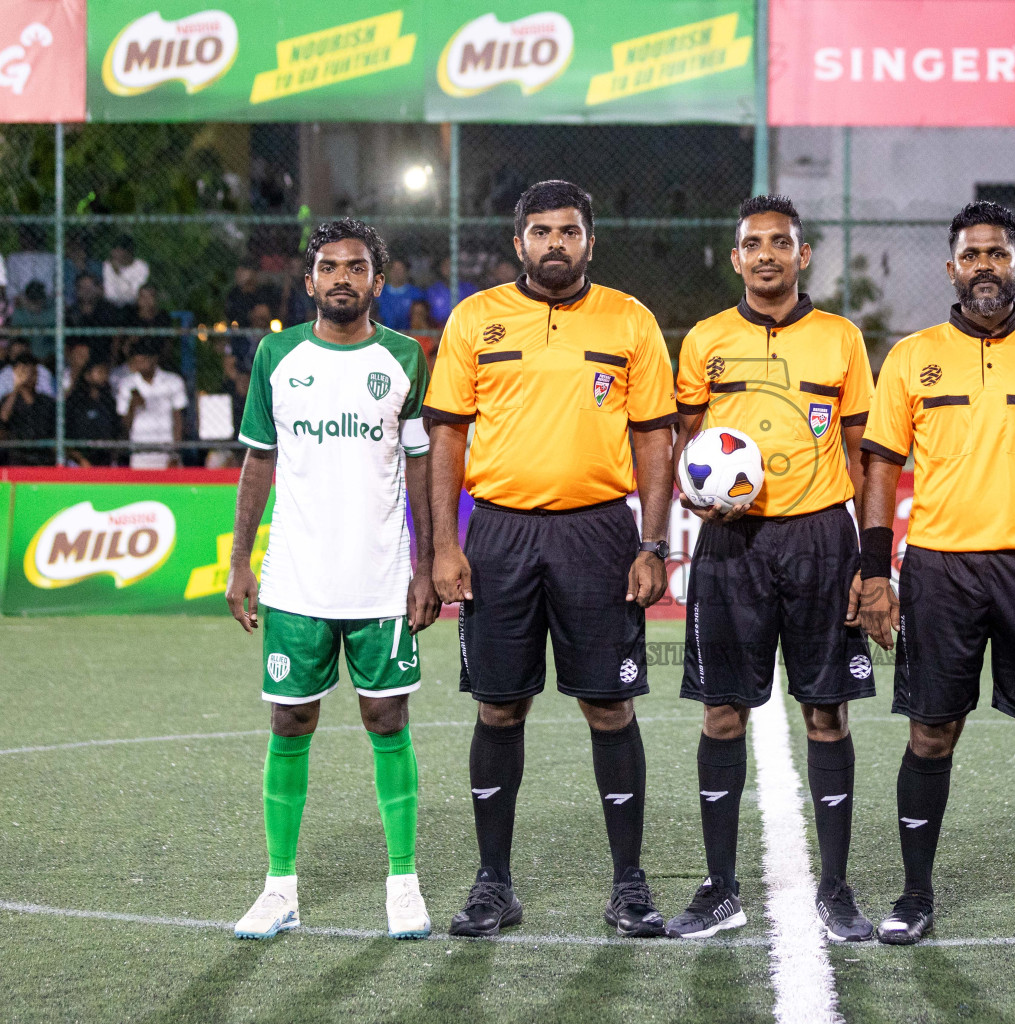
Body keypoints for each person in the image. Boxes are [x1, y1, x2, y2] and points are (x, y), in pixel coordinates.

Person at [855, 201, 1015, 947]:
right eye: (972, 256)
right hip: (940, 569)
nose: (985, 268)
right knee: (932, 734)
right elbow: (880, 470)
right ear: (952, 269)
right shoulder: (911, 357)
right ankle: (914, 896)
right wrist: (876, 573)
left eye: (998, 254)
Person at [425, 180, 677, 940]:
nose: (555, 243)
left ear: (589, 241)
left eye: (569, 230)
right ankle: (492, 884)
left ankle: (630, 885)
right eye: (541, 231)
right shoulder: (475, 319)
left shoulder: (630, 320)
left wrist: (653, 542)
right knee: (499, 704)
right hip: (499, 533)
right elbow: (446, 437)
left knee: (609, 703)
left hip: (599, 532)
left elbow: (655, 437)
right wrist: (442, 543)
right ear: (518, 243)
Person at [664, 195, 878, 942]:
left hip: (821, 539)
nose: (766, 255)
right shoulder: (705, 341)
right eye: (752, 243)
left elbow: (862, 452)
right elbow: (686, 446)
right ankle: (719, 888)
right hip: (731, 545)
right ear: (736, 259)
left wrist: (870, 559)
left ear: (803, 254)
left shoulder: (841, 340)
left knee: (827, 711)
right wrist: (697, 504)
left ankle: (838, 888)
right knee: (722, 711)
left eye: (780, 243)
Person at [224, 218, 438, 941]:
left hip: (380, 581)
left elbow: (417, 464)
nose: (341, 278)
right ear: (309, 280)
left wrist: (429, 564)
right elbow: (259, 460)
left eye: (356, 267)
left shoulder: (406, 355)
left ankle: (402, 882)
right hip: (296, 583)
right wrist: (239, 563)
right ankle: (279, 887)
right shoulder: (277, 355)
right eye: (328, 267)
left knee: (388, 719)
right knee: (291, 720)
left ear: (378, 281)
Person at [115, 339, 187, 469]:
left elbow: (178, 419)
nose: (140, 365)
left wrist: (175, 453)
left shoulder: (173, 381)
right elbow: (124, 425)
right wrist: (132, 404)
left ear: (154, 359)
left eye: (143, 361)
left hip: (166, 447)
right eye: (136, 362)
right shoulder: (127, 384)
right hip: (140, 450)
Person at [0, 352, 57, 466]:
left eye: (34, 373)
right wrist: (17, 386)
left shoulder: (46, 401)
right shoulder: (10, 399)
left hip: (43, 457)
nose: (32, 377)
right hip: (17, 457)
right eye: (27, 373)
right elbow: (4, 417)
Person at [64, 360, 121, 466]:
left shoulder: (109, 402)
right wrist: (80, 459)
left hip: (105, 459)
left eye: (105, 372)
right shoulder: (74, 402)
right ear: (87, 376)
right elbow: (66, 434)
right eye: (99, 372)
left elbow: (116, 429)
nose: (104, 376)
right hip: (79, 461)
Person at [67, 273, 122, 365]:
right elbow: (66, 344)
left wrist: (112, 361)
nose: (86, 291)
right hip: (78, 361)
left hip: (104, 359)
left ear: (97, 289)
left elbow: (117, 338)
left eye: (90, 287)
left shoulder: (108, 310)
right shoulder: (71, 313)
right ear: (77, 290)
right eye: (82, 287)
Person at [426, 256, 479, 326]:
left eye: (452, 265)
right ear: (441, 268)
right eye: (446, 266)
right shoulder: (432, 290)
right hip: (438, 331)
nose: (449, 269)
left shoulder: (469, 289)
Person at [8, 281, 56, 358]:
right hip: (26, 356)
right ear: (26, 299)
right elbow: (15, 338)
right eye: (32, 300)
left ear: (43, 299)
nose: (35, 303)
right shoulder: (19, 314)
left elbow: (55, 340)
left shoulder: (52, 313)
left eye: (38, 299)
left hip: (48, 356)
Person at [225, 261, 280, 327]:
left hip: (265, 329)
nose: (239, 275)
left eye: (243, 271)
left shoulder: (264, 291)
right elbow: (232, 314)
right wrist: (251, 315)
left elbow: (272, 311)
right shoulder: (234, 294)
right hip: (242, 330)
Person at [376, 259, 424, 332]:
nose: (396, 273)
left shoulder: (416, 293)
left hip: (409, 335)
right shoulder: (379, 292)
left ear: (406, 272)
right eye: (394, 269)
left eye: (400, 269)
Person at [102, 236, 150, 307]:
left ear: (128, 252)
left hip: (132, 306)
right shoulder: (107, 266)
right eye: (113, 250)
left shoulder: (141, 267)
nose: (113, 254)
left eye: (118, 251)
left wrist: (117, 273)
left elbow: (134, 295)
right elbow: (110, 295)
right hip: (110, 306)